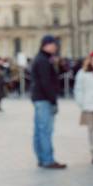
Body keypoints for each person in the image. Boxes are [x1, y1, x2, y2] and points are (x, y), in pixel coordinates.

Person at [30, 35, 66, 169]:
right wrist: (53, 100)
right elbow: (46, 82)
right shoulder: (44, 61)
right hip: (44, 99)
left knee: (39, 130)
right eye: (54, 44)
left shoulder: (40, 59)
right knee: (45, 130)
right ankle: (47, 159)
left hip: (39, 98)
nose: (56, 47)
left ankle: (42, 157)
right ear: (47, 45)